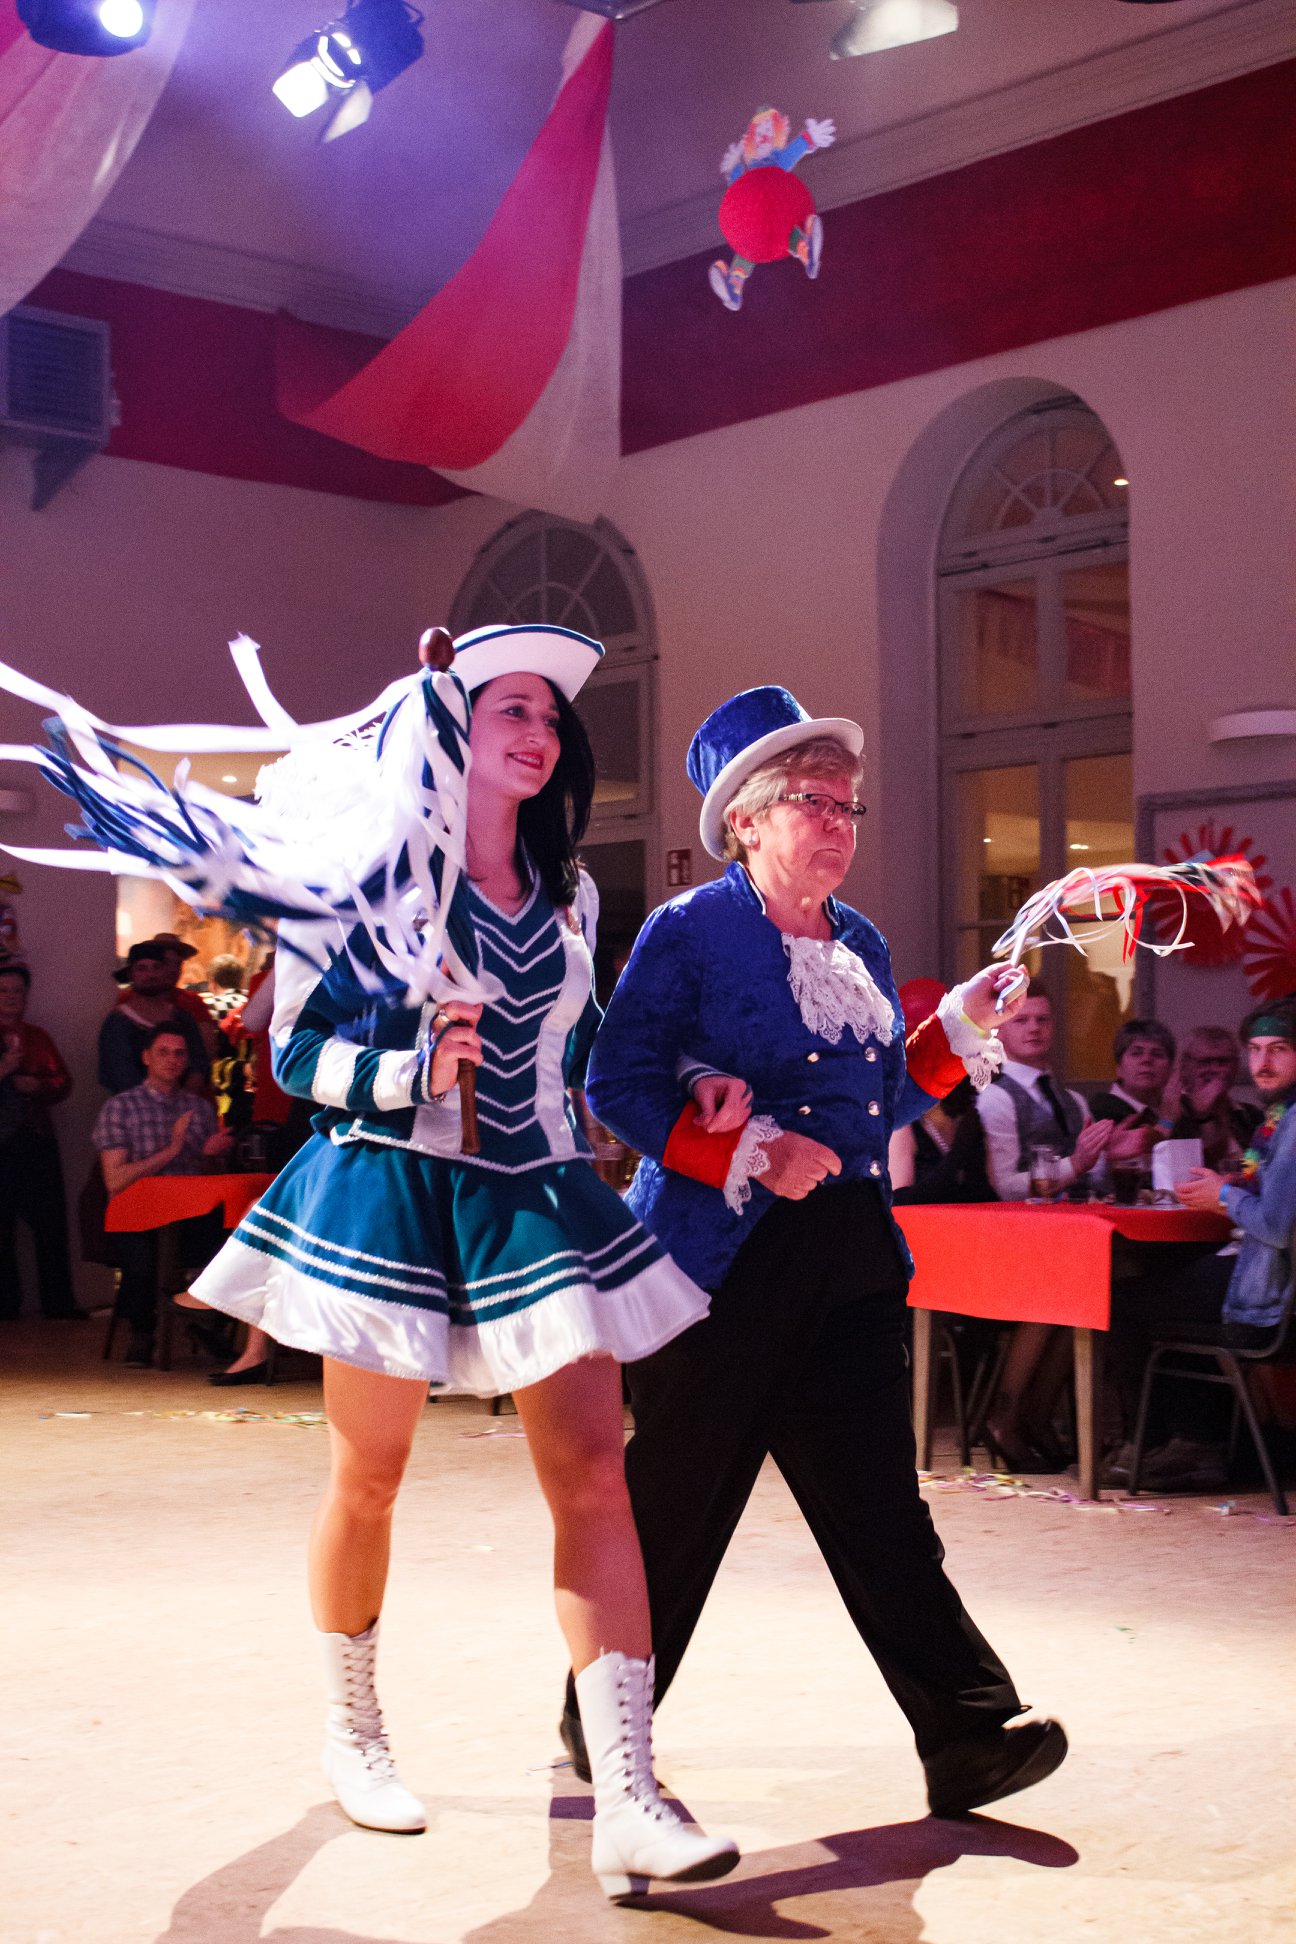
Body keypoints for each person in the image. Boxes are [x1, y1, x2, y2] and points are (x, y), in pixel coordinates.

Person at [173, 626, 734, 1898]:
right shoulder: (365, 886)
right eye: (509, 711)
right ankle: (354, 1730)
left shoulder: (573, 892)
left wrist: (692, 1079)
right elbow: (297, 1055)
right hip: (389, 1189)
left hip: (538, 1193)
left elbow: (583, 1050)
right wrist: (408, 1071)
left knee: (596, 1474)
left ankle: (631, 1795)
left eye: (549, 717)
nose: (537, 735)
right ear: (447, 728)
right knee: (369, 1477)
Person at [558, 684, 1067, 1823]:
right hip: (717, 1260)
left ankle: (967, 1734)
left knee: (884, 1511)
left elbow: (881, 1099)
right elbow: (617, 1083)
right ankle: (601, 1725)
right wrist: (750, 1147)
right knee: (678, 1509)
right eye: (812, 802)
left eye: (848, 805)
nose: (838, 822)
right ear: (743, 819)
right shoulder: (690, 931)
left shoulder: (863, 941)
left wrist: (960, 1026)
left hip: (847, 1254)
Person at [1106, 999, 1296, 1481]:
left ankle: (1171, 1444)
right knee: (1171, 1281)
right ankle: (1194, 1440)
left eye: (1278, 1049)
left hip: (1269, 1298)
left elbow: (1277, 1228)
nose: (1263, 1063)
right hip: (1269, 1281)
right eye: (1255, 1049)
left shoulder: (1293, 1121)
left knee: (1120, 1301)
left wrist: (1224, 1195)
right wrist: (1237, 1186)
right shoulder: (1279, 1113)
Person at [92, 1024, 233, 1366]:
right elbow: (115, 1181)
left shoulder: (199, 1108)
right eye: (163, 1052)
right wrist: (171, 1150)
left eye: (179, 1053)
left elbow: (211, 1178)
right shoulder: (121, 1107)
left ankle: (207, 1321)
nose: (172, 1060)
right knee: (145, 1254)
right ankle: (143, 1333)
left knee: (236, 1242)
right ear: (146, 1057)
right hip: (137, 1213)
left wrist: (211, 1155)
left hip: (191, 1212)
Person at [0, 959, 81, 1321]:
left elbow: (63, 1082)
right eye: (4, 991)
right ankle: (5, 1305)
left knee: (50, 1223)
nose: (11, 997)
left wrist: (38, 1086)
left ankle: (58, 1303)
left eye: (17, 991)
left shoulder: (38, 1037)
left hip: (35, 1137)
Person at [99, 941, 210, 1096]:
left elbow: (199, 1064)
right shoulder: (118, 1022)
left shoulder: (182, 1017)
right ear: (131, 974)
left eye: (156, 967)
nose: (150, 975)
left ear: (164, 972)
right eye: (142, 968)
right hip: (134, 1107)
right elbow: (120, 1076)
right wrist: (156, 1104)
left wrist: (181, 1101)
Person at [1167, 1025, 1262, 1175]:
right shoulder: (1171, 1115)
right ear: (1185, 1066)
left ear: (1236, 1066)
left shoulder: (1251, 1115)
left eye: (1223, 1062)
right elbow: (1187, 1172)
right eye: (1205, 1062)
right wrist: (1204, 1115)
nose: (1215, 1069)